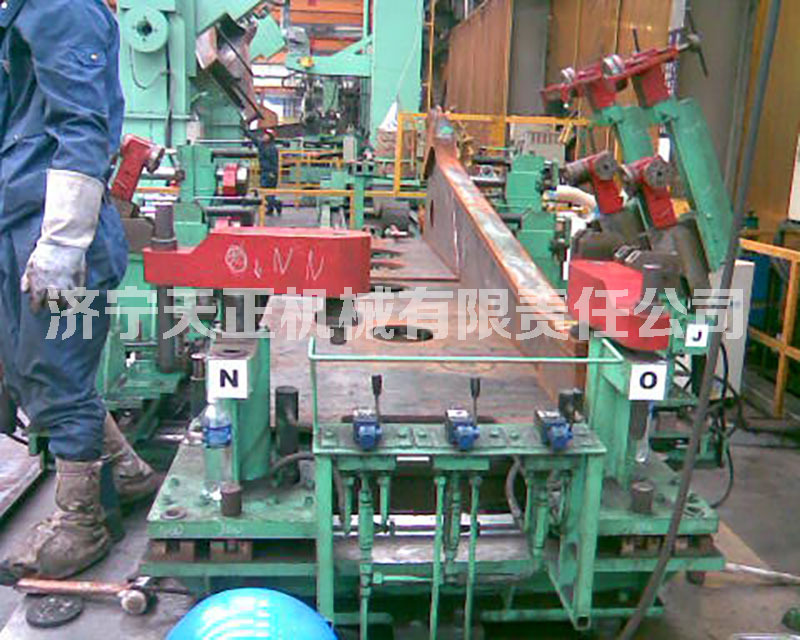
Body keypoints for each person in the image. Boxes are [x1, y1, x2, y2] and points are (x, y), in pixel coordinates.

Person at [0, 0, 159, 580]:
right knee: (28, 370)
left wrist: (64, 241)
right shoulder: (18, 14)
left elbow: (83, 125)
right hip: (19, 224)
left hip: (63, 239)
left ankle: (81, 522)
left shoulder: (61, 7)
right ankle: (127, 471)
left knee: (59, 371)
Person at [246, 127, 283, 215]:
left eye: (266, 135)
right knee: (269, 192)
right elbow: (255, 140)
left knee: (265, 191)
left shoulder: (271, 148)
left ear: (270, 137)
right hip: (266, 171)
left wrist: (272, 172)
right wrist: (246, 131)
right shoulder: (263, 145)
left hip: (269, 172)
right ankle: (270, 208)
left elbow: (274, 162)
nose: (263, 136)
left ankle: (277, 204)